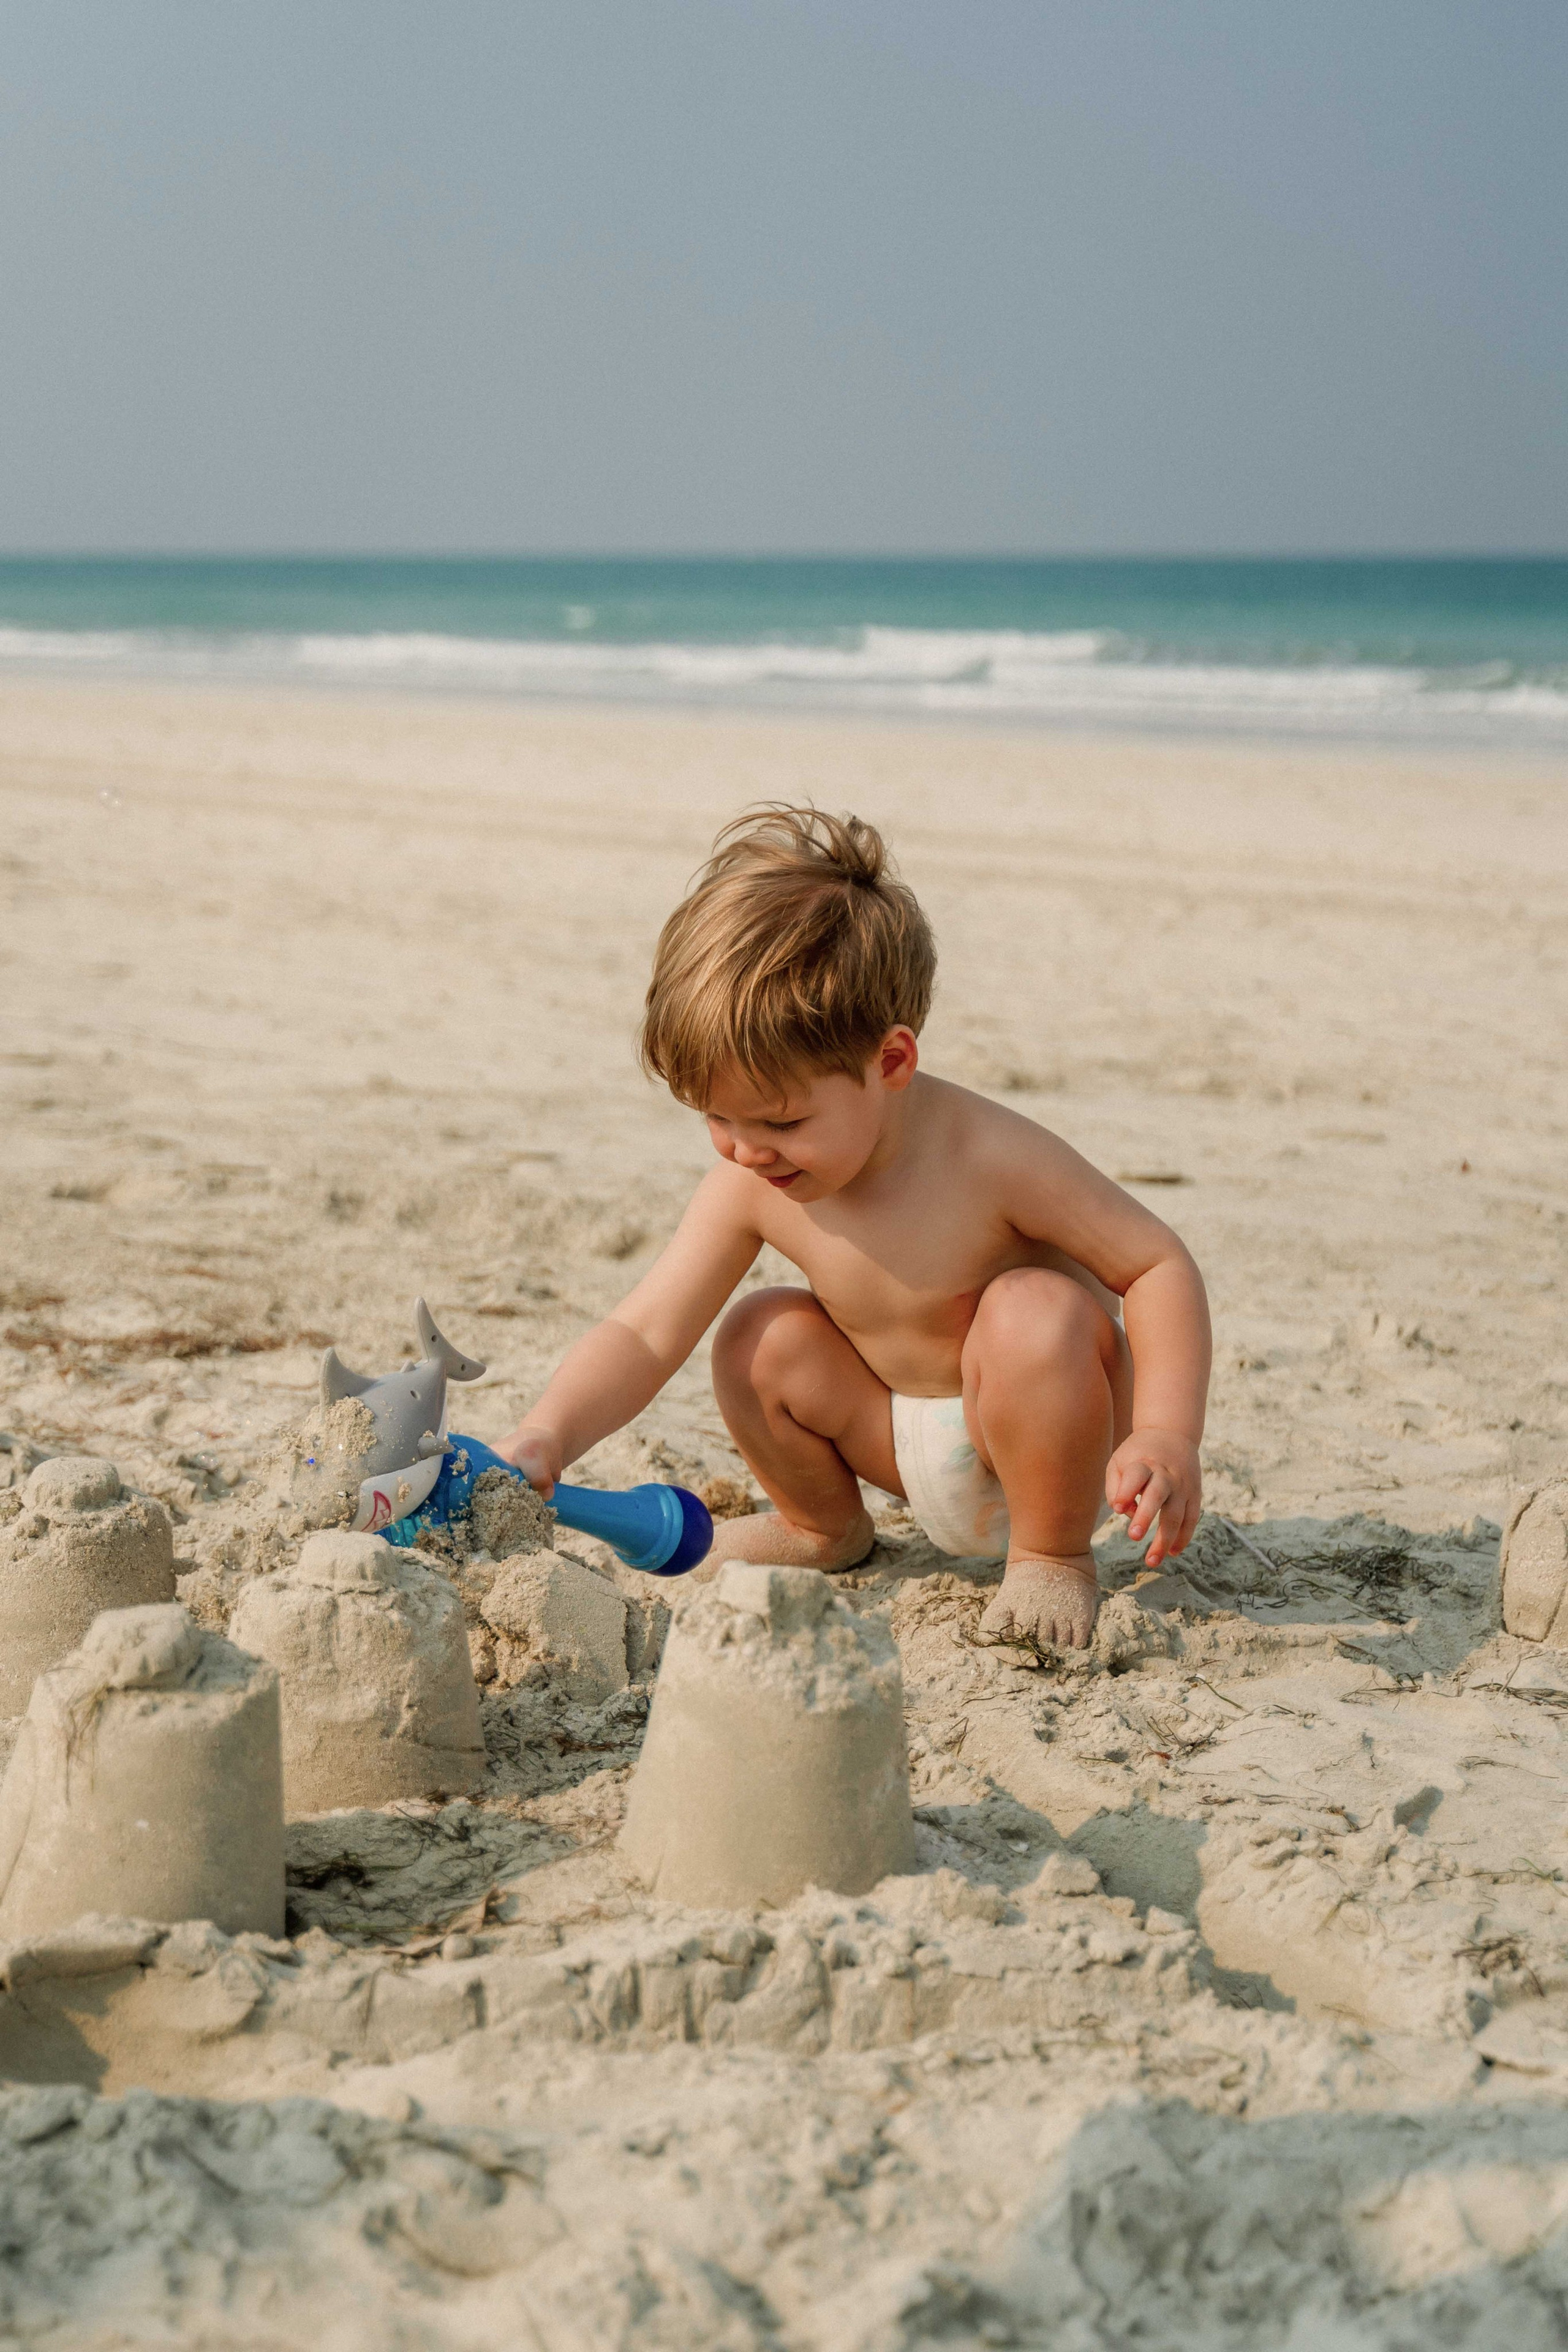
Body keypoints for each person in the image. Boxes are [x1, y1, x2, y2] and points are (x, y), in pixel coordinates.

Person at [499, 806, 1210, 1648]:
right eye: (716, 1119)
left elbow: (1157, 1264)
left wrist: (1167, 1432)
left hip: (1043, 1448)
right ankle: (822, 1528)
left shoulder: (989, 1156)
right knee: (758, 1333)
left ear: (892, 1062)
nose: (746, 1152)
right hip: (899, 1439)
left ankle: (1051, 1560)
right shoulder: (750, 1179)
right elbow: (647, 1330)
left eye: (782, 1122)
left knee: (1032, 1309)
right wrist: (548, 1433)